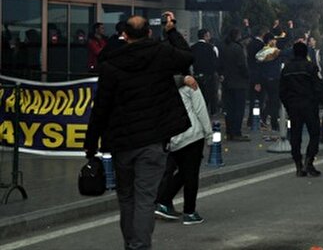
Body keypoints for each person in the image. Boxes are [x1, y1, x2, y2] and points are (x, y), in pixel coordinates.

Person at [83, 12, 193, 250]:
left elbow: (100, 107)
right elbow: (187, 57)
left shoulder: (111, 63)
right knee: (145, 197)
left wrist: (91, 144)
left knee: (126, 197)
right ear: (149, 33)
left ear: (124, 35)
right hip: (153, 138)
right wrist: (171, 31)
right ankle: (139, 246)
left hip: (123, 141)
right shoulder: (161, 54)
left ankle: (131, 243)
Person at [155, 74, 212, 225]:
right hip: (192, 134)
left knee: (184, 172)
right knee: (191, 174)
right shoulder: (190, 84)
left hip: (173, 137)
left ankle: (163, 201)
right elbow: (200, 109)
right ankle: (189, 212)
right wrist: (209, 134)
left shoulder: (160, 88)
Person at [280, 41, 323, 177]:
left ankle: (298, 165)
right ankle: (309, 160)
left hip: (293, 106)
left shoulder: (287, 69)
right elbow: (318, 86)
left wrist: (288, 105)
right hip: (309, 105)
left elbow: (282, 90)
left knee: (296, 135)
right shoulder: (310, 67)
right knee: (314, 134)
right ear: (306, 53)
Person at [219, 27, 250, 141]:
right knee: (239, 109)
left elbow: (219, 64)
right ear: (237, 36)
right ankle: (237, 132)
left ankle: (229, 131)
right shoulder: (238, 48)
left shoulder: (223, 47)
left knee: (229, 108)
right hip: (239, 83)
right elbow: (242, 65)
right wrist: (247, 75)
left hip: (227, 82)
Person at [191, 28, 220, 116]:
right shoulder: (211, 48)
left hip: (196, 75)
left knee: (198, 95)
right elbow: (216, 62)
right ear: (205, 36)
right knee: (210, 94)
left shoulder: (192, 48)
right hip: (209, 76)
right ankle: (211, 112)